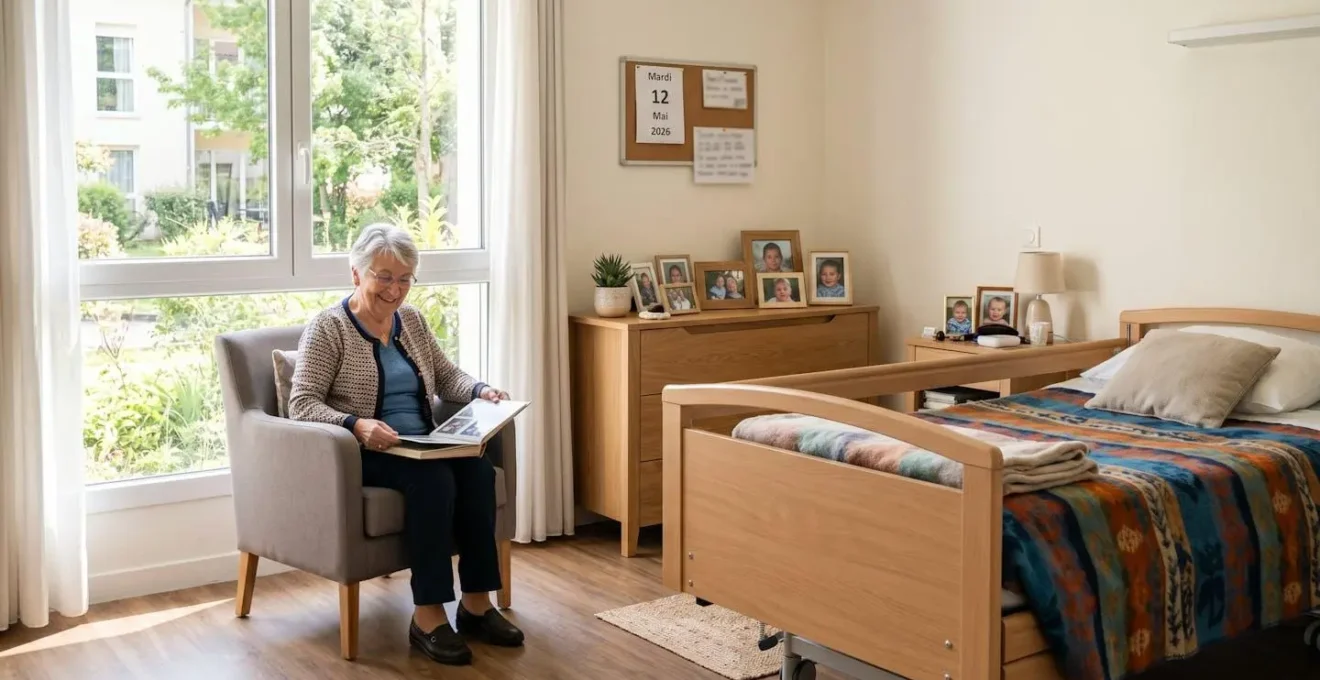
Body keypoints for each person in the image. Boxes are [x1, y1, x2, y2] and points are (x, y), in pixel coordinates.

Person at [289, 224, 524, 667]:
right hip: (366, 453)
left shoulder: (410, 320)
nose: (394, 289)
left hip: (423, 442)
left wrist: (480, 391)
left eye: (404, 278)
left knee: (476, 472)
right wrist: (357, 425)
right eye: (383, 276)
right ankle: (428, 616)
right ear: (357, 274)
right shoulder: (328, 328)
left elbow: (446, 373)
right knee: (432, 481)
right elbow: (301, 404)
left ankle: (476, 605)